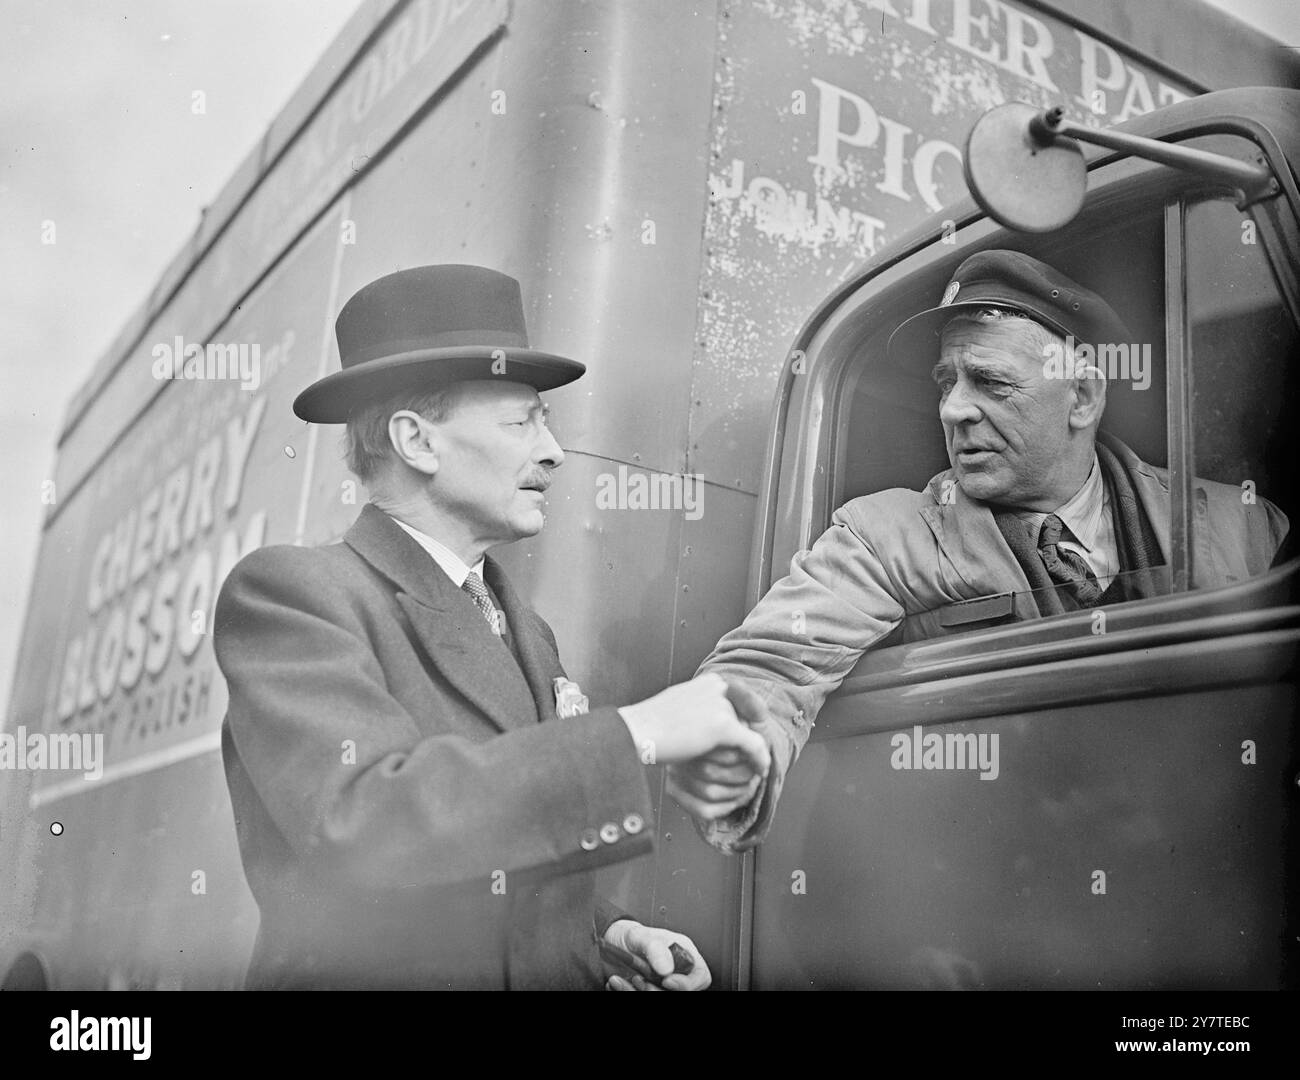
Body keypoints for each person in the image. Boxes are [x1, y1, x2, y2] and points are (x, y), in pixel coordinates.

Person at [214, 264, 770, 989]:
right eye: (522, 421)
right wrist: (638, 732)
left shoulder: (524, 627)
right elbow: (364, 827)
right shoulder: (294, 593)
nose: (554, 451)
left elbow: (493, 853)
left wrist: (607, 934)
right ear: (416, 441)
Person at [667, 249, 1288, 852]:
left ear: (1083, 398)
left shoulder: (1242, 525)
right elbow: (773, 663)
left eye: (990, 381)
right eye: (947, 381)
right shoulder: (887, 535)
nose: (954, 408)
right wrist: (733, 746)